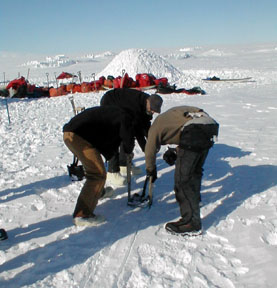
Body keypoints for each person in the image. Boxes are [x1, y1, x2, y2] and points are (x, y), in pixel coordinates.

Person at [145, 106, 219, 235]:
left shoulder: (154, 129)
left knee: (182, 180)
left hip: (194, 131)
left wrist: (151, 171)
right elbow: (193, 121)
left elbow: (149, 151)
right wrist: (177, 152)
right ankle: (194, 201)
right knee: (195, 172)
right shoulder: (170, 117)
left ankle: (191, 222)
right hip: (210, 126)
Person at [63, 106, 135, 226]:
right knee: (97, 174)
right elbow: (127, 139)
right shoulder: (126, 118)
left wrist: (112, 155)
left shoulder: (114, 115)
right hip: (78, 137)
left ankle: (98, 192)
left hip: (71, 134)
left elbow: (108, 142)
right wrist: (128, 151)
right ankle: (82, 215)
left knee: (95, 166)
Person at [100, 88, 163, 186]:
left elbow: (145, 125)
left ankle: (124, 163)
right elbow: (138, 131)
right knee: (117, 135)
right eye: (151, 109)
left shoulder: (147, 107)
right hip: (109, 102)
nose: (152, 112)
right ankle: (112, 171)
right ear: (147, 101)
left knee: (127, 133)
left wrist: (151, 141)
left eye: (154, 111)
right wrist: (146, 150)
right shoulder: (136, 106)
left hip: (123, 107)